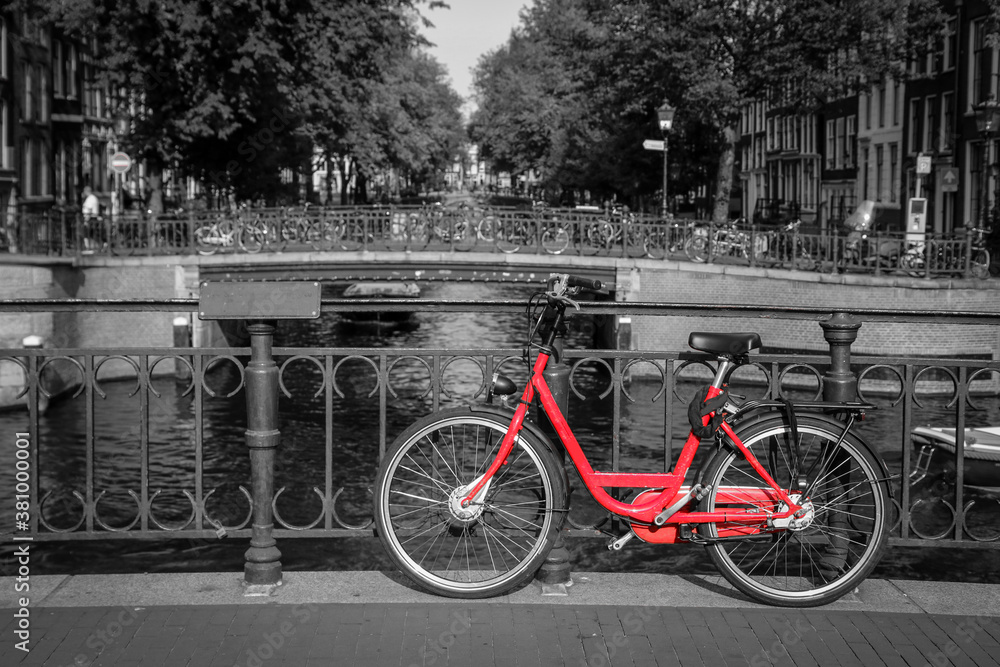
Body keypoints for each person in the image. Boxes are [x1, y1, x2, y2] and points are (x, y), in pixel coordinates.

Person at [81, 186, 101, 251]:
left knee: (87, 233)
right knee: (92, 234)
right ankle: (94, 247)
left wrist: (86, 220)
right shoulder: (93, 198)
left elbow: (89, 209)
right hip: (92, 218)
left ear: (86, 191)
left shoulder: (90, 199)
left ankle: (88, 248)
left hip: (91, 218)